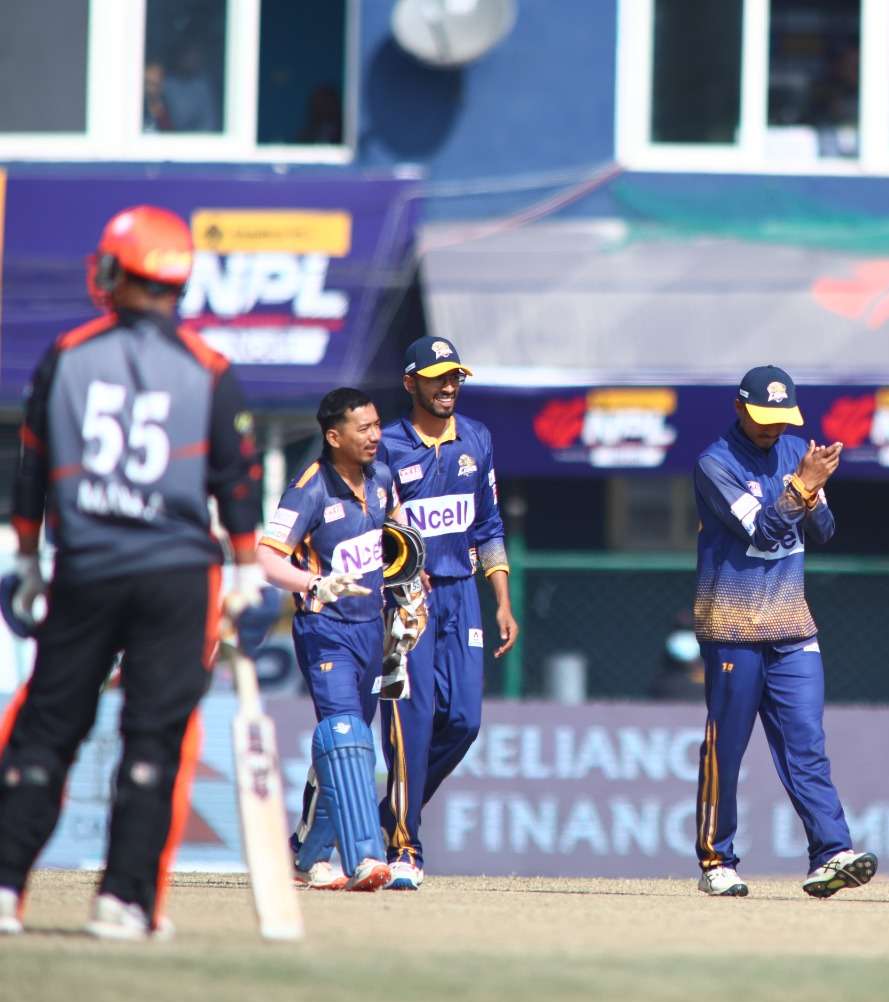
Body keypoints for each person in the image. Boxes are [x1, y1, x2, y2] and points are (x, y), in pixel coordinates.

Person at [0, 205, 261, 939]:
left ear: (118, 272)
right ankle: (124, 901)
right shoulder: (210, 369)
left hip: (87, 565)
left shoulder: (67, 354)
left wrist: (28, 556)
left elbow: (32, 468)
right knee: (154, 739)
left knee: (48, 729)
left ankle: (5, 885)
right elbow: (237, 481)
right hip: (178, 576)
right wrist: (245, 570)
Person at [691, 366, 877, 898]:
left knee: (807, 743)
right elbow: (764, 530)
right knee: (726, 749)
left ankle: (831, 852)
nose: (773, 428)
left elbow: (825, 530)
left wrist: (812, 493)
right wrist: (802, 486)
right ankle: (716, 859)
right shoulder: (715, 463)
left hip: (793, 625)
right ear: (739, 408)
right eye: (762, 417)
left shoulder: (799, 451)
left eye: (781, 418)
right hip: (733, 624)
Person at [376, 337, 518, 890]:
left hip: (463, 596)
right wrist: (399, 571)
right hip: (405, 601)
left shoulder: (476, 438)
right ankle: (404, 846)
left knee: (464, 721)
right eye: (437, 377)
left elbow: (488, 526)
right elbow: (370, 525)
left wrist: (502, 598)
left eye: (454, 376)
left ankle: (390, 813)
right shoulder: (386, 445)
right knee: (410, 721)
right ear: (411, 383)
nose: (448, 386)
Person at [257, 388, 400, 893]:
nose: (375, 436)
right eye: (364, 429)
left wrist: (411, 591)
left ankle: (306, 855)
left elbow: (399, 537)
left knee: (345, 746)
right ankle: (366, 856)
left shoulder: (382, 478)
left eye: (377, 425)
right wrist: (314, 583)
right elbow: (267, 558)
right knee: (346, 735)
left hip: (371, 630)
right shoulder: (309, 488)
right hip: (325, 630)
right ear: (334, 436)